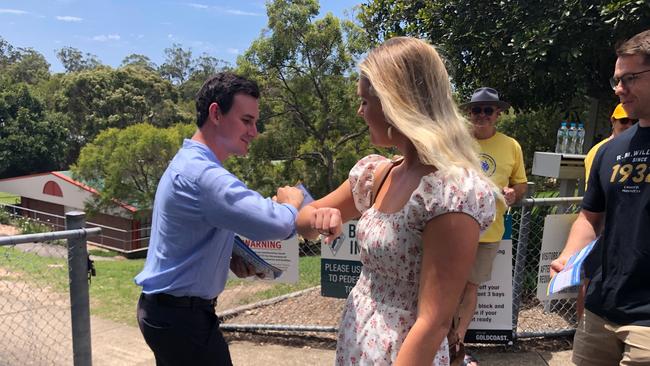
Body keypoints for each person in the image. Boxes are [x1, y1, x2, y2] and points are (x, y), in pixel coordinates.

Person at [296, 37, 496, 366]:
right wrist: (320, 218)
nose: (360, 112)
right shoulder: (377, 174)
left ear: (394, 103)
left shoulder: (451, 193)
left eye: (364, 101)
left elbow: (433, 324)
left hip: (402, 354)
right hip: (358, 339)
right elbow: (306, 217)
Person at [134, 72, 304, 365]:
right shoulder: (204, 176)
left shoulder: (190, 163)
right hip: (182, 319)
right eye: (247, 121)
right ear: (216, 113)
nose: (255, 132)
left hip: (171, 313)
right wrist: (292, 203)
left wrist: (227, 256)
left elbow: (195, 233)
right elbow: (277, 223)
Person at [550, 29, 650, 365]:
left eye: (630, 78)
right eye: (617, 79)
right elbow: (590, 216)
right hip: (599, 310)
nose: (619, 89)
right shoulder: (611, 150)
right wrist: (567, 257)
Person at [455, 87, 528, 364]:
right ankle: (440, 340)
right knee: (448, 287)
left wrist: (514, 193)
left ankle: (457, 344)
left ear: (498, 113)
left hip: (489, 231)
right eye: (477, 109)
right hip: (453, 229)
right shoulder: (456, 142)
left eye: (488, 110)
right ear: (469, 112)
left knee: (470, 287)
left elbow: (520, 184)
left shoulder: (511, 146)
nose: (482, 115)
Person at [584, 103, 637, 185]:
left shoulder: (638, 150)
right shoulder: (599, 151)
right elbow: (592, 189)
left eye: (634, 122)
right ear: (613, 121)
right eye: (624, 121)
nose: (629, 126)